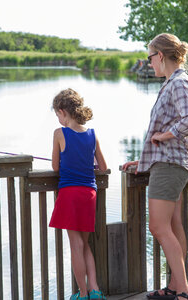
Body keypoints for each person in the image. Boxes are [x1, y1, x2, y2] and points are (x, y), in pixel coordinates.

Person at [123, 33, 188, 300]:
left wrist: (165, 135)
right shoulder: (172, 83)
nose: (148, 63)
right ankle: (176, 287)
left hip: (170, 165)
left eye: (149, 57)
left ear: (161, 55)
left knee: (158, 226)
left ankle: (185, 292)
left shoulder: (179, 82)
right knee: (173, 225)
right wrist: (144, 160)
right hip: (167, 163)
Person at [49, 88, 107, 300]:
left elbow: (55, 167)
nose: (58, 119)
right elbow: (103, 166)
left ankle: (82, 294)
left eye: (57, 114)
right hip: (89, 194)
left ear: (63, 111)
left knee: (76, 246)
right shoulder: (92, 134)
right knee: (85, 245)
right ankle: (95, 290)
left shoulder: (59, 133)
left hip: (69, 194)